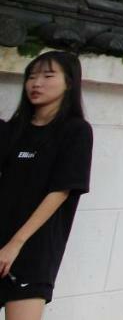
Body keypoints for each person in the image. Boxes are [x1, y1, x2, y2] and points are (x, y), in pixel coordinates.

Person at [0, 51, 93, 320]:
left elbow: (60, 191)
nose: (36, 83)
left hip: (33, 249)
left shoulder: (76, 131)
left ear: (70, 83)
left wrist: (14, 244)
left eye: (48, 75)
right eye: (31, 76)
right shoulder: (12, 130)